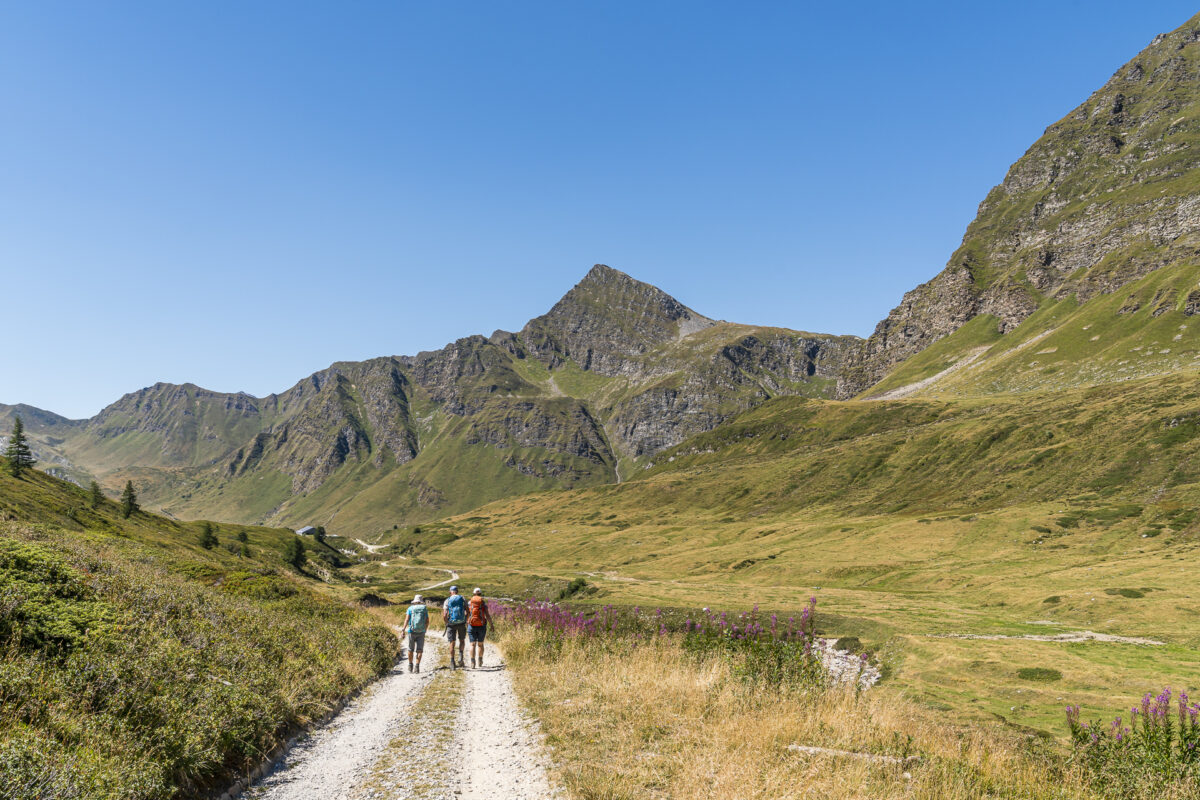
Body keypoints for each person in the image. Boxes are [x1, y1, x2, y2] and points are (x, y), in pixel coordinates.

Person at [443, 585, 468, 668]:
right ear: (457, 591)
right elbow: (468, 611)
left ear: (450, 592)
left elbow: (444, 615)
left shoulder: (448, 600)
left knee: (452, 642)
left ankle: (452, 662)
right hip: (461, 623)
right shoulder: (462, 598)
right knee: (462, 640)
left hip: (451, 623)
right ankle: (461, 656)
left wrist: (447, 623)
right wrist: (466, 620)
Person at [467, 587, 492, 668]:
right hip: (481, 625)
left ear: (473, 593)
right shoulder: (483, 603)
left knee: (472, 644)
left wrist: (466, 622)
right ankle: (480, 660)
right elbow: (487, 615)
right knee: (480, 644)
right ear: (480, 594)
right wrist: (491, 624)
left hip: (471, 625)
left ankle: (472, 662)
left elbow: (466, 613)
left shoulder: (469, 603)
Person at [405, 594, 429, 673]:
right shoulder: (424, 608)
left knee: (410, 649)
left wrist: (403, 629)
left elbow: (407, 619)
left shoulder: (410, 608)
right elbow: (427, 621)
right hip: (421, 632)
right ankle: (417, 666)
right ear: (421, 601)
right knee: (419, 650)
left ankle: (410, 664)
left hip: (411, 631)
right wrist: (424, 630)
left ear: (415, 601)